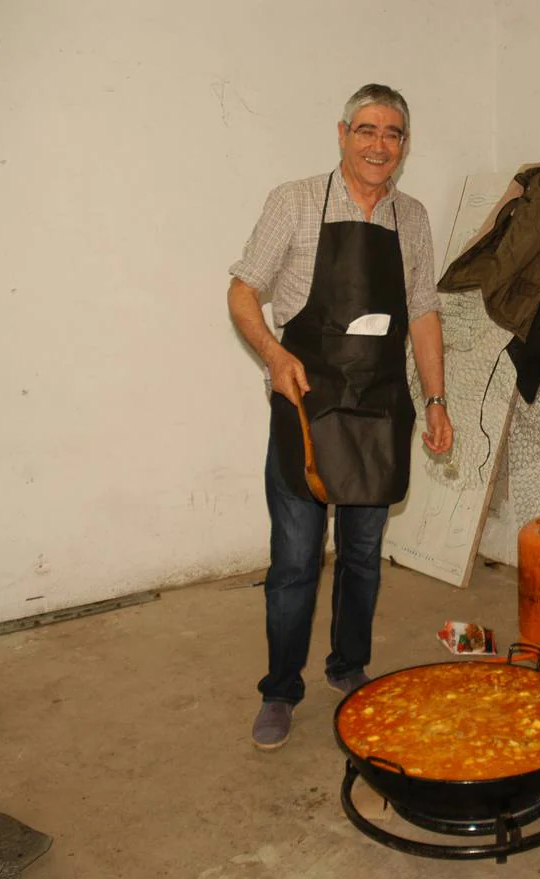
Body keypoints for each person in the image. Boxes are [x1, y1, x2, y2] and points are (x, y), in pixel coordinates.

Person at [227, 84, 453, 751]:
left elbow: (424, 312)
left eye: (393, 134)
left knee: (362, 556)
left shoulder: (410, 218)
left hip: (379, 407)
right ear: (342, 133)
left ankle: (348, 666)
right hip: (305, 407)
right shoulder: (294, 201)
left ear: (404, 145)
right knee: (296, 559)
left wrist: (437, 400)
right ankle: (279, 689)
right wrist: (273, 356)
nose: (380, 145)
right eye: (367, 130)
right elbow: (243, 291)